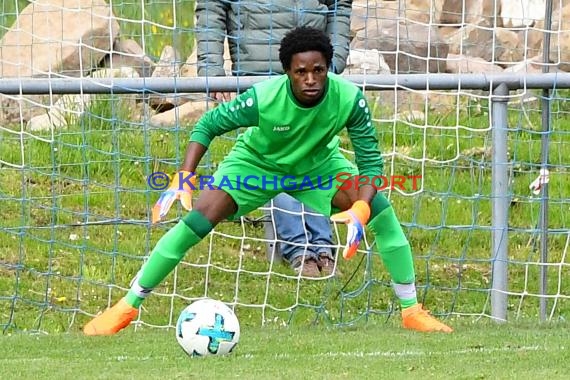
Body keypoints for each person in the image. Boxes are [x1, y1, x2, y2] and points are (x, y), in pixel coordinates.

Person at [83, 27, 453, 336]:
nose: (310, 79)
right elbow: (208, 124)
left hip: (317, 167)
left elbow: (371, 164)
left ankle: (411, 310)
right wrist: (185, 175)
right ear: (288, 72)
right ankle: (126, 307)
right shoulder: (263, 98)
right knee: (198, 217)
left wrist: (361, 204)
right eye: (300, 72)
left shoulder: (350, 100)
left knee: (381, 210)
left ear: (328, 69)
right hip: (255, 165)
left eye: (318, 70)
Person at [194, 0, 353, 277]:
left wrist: (333, 60)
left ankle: (322, 248)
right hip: (258, 67)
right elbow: (212, 7)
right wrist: (211, 69)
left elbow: (340, 4)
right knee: (275, 159)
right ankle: (299, 250)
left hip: (311, 65)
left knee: (313, 157)